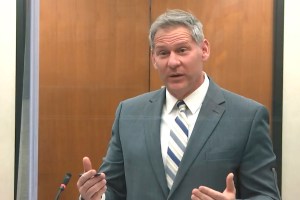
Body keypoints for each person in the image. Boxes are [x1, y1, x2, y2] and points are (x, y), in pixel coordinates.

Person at [77, 9, 281, 200]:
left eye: (182, 50)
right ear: (154, 59)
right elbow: (113, 188)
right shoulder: (129, 114)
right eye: (163, 53)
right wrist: (96, 196)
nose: (172, 62)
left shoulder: (247, 117)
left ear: (204, 50)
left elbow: (267, 195)